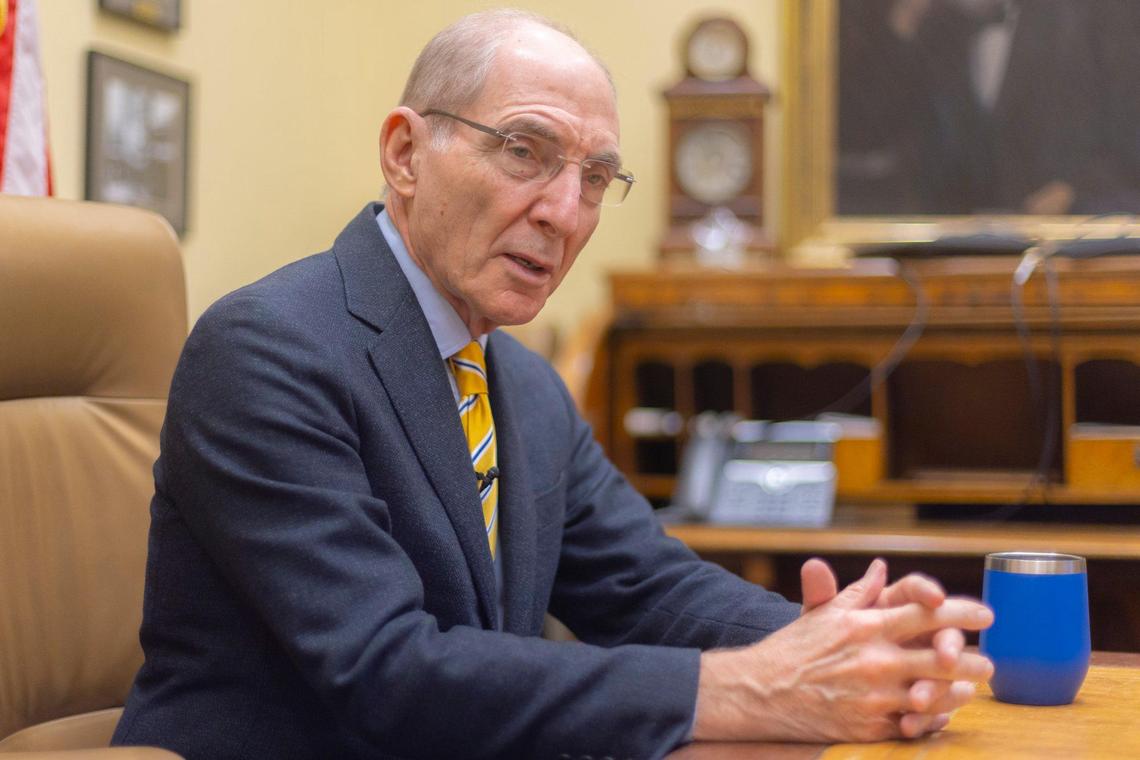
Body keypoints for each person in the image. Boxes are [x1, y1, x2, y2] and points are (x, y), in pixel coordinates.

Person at [112, 10, 993, 759]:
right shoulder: (267, 349)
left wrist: (841, 643)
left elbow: (647, 587)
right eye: (524, 152)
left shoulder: (525, 387)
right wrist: (752, 688)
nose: (565, 214)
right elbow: (385, 671)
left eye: (595, 179)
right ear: (406, 153)